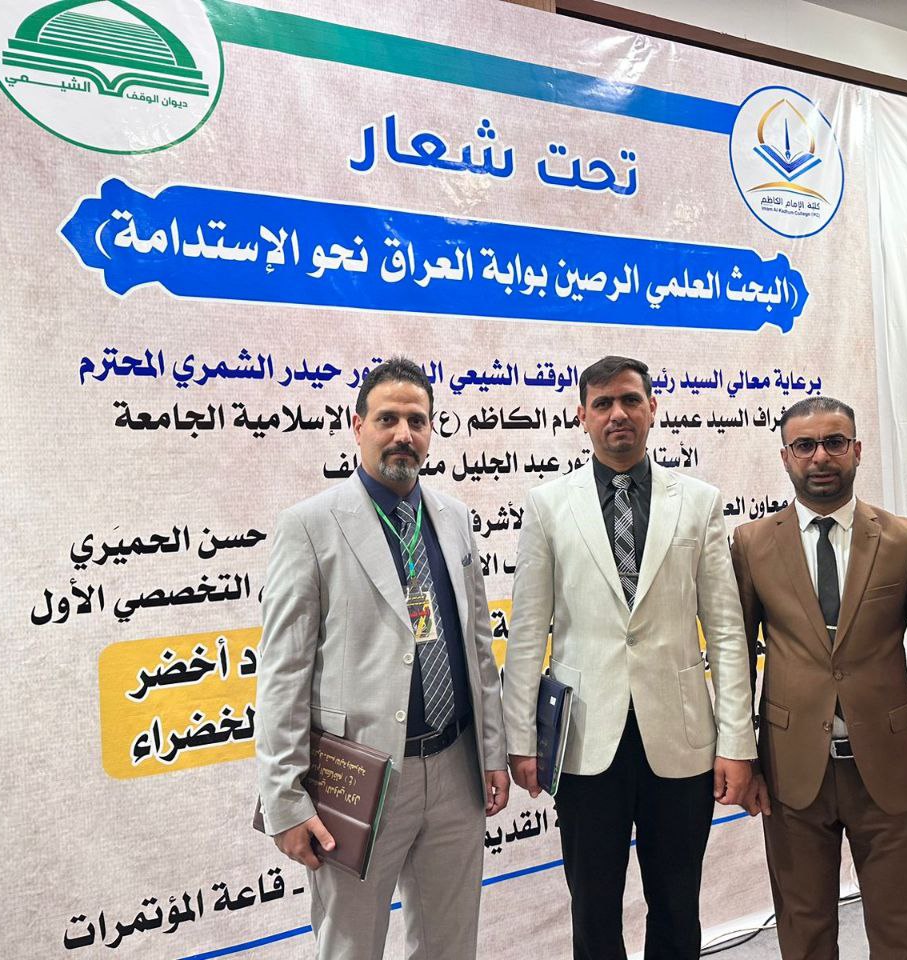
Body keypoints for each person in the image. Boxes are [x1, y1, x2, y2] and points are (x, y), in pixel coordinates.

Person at [254, 357, 510, 960]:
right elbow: (283, 674)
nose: (403, 433)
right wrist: (285, 800)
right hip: (358, 778)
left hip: (456, 770)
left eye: (417, 421)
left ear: (431, 430)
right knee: (351, 947)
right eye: (387, 418)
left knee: (451, 946)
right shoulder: (310, 526)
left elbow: (477, 646)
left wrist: (492, 751)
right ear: (357, 425)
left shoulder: (453, 518)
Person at [504, 355, 757, 960]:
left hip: (682, 739)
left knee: (677, 904)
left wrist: (736, 742)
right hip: (585, 741)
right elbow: (528, 632)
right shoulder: (547, 505)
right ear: (582, 417)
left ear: (652, 409)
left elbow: (726, 631)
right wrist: (521, 739)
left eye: (629, 400)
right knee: (593, 910)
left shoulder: (698, 501)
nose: (617, 414)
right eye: (603, 404)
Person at [731, 396, 907, 960]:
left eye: (834, 442)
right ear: (785, 457)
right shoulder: (752, 544)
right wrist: (742, 759)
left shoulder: (904, 540)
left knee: (901, 934)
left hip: (889, 773)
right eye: (805, 445)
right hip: (792, 773)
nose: (820, 456)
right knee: (804, 934)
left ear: (857, 450)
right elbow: (736, 660)